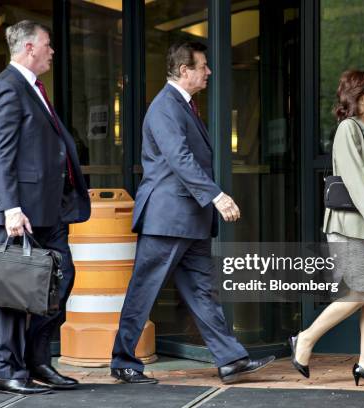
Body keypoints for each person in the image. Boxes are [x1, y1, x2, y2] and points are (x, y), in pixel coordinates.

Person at [110, 41, 275, 385]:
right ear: (185, 71)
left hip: (189, 219)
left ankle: (230, 360)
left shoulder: (182, 105)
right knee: (144, 290)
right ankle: (123, 361)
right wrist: (216, 196)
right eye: (203, 66)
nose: (209, 72)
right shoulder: (165, 107)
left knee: (202, 291)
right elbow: (179, 158)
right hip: (168, 218)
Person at [0, 20, 90, 395]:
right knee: (15, 292)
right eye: (47, 43)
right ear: (29, 47)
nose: (52, 50)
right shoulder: (6, 89)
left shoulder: (33, 89)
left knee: (63, 279)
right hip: (19, 212)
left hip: (48, 209)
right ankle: (6, 370)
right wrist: (10, 208)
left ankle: (36, 361)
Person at [290, 70, 364, 388]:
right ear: (358, 94)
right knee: (360, 290)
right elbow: (354, 180)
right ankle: (305, 339)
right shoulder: (348, 129)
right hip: (351, 227)